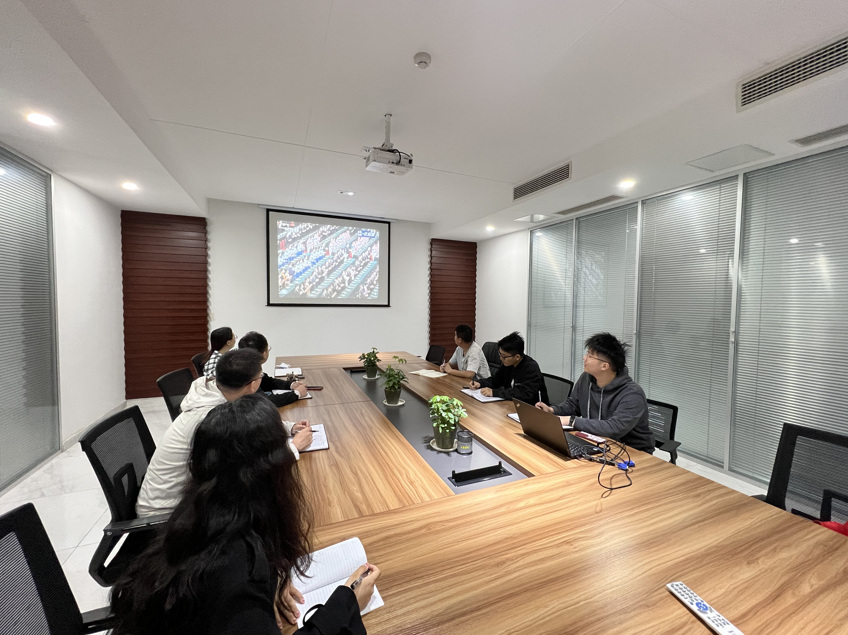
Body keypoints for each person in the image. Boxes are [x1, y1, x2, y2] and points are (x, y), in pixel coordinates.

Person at [112, 394, 379, 634]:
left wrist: (271, 581)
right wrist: (348, 603)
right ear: (272, 472)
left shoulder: (202, 510)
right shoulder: (235, 571)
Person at [136, 349, 313, 517]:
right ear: (253, 385)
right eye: (260, 377)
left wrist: (289, 427)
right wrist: (293, 448)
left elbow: (247, 427)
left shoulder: (214, 394)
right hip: (169, 513)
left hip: (179, 497)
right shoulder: (214, 418)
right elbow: (247, 469)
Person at [535, 332, 654, 453]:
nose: (584, 358)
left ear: (604, 366)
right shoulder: (586, 379)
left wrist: (571, 421)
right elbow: (573, 405)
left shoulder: (632, 394)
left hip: (633, 452)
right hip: (597, 442)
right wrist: (552, 410)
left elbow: (614, 428)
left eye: (590, 356)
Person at [470, 331, 548, 403]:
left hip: (532, 408)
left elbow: (523, 394)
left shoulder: (531, 368)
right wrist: (480, 383)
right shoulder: (507, 365)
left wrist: (495, 392)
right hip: (511, 404)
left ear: (517, 357)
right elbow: (496, 381)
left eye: (504, 356)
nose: (501, 359)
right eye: (500, 354)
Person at [238, 331, 308, 407]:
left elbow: (267, 382)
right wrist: (296, 394)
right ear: (264, 353)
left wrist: (291, 385)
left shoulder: (246, 366)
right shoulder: (244, 374)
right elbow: (264, 402)